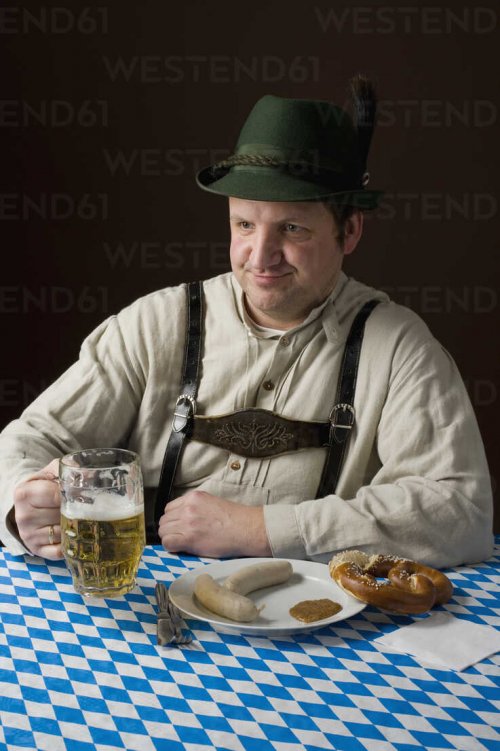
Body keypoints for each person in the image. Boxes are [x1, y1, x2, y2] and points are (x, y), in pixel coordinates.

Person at [0, 76, 493, 567]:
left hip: (319, 634)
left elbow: (460, 512)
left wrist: (262, 530)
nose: (261, 256)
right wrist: (23, 494)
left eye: (292, 228)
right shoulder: (154, 325)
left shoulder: (400, 349)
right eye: (244, 225)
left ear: (350, 230)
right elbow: (29, 440)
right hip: (146, 615)